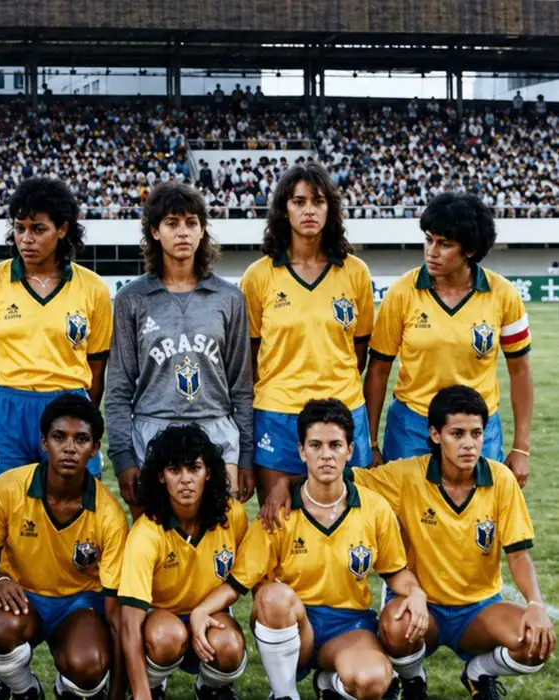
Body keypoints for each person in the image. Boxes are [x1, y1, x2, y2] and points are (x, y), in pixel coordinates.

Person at [261, 385, 553, 699]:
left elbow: (519, 556)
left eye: (476, 433)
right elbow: (337, 474)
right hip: (422, 608)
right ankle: (414, 680)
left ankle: (479, 673)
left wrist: (534, 604)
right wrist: (283, 483)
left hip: (479, 609)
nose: (469, 444)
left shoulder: (501, 480)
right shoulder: (406, 476)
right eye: (457, 433)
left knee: (535, 642)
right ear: (436, 435)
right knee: (395, 626)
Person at [191, 399, 429, 700]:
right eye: (315, 445)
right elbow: (239, 583)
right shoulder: (277, 511)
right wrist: (202, 610)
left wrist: (416, 592)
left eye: (335, 445)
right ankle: (283, 693)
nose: (326, 455)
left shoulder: (374, 508)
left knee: (373, 681)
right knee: (272, 595)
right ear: (302, 451)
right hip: (293, 624)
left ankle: (330, 683)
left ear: (350, 450)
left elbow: (396, 573)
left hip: (349, 625)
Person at [105, 182, 254, 517]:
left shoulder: (229, 298)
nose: (182, 232)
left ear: (203, 231)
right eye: (172, 223)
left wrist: (245, 454)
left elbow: (242, 387)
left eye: (191, 223)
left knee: (220, 543)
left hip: (216, 428)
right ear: (155, 232)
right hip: (153, 429)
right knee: (158, 542)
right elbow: (118, 390)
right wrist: (124, 457)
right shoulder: (132, 299)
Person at [365, 192, 532, 486]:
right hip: (412, 426)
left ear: (469, 250)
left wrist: (521, 447)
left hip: (477, 427)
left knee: (478, 521)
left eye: (445, 244)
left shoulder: (504, 294)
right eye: (429, 240)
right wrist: (371, 443)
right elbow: (378, 370)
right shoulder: (401, 292)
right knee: (406, 524)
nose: (432, 251)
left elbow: (519, 371)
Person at [0, 177, 113, 500]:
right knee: (1, 519)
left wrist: (79, 414)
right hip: (4, 410)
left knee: (74, 519)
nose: (26, 239)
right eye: (20, 228)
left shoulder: (93, 288)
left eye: (38, 229)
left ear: (62, 229)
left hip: (67, 406)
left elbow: (96, 371)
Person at [0, 393, 128, 700]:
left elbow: (116, 615)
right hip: (24, 596)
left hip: (79, 604)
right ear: (44, 442)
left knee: (89, 663)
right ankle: (25, 690)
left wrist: (118, 693)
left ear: (95, 449)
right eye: (59, 437)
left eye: (81, 439)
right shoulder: (7, 488)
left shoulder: (110, 515)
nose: (69, 448)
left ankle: (70, 689)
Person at [239, 163, 375, 503]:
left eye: (318, 201)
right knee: (279, 524)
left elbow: (359, 350)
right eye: (299, 201)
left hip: (343, 411)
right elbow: (251, 355)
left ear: (331, 208)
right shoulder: (258, 276)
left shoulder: (355, 273)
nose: (309, 210)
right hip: (278, 414)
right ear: (284, 210)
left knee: (348, 524)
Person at [118, 425, 249, 700]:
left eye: (194, 468)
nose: (186, 479)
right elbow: (130, 623)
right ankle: (152, 685)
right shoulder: (146, 533)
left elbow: (243, 579)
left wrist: (204, 611)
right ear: (161, 477)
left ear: (209, 473)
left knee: (230, 645)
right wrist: (141, 694)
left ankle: (212, 689)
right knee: (168, 636)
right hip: (161, 622)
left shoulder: (233, 516)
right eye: (175, 470)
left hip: (212, 615)